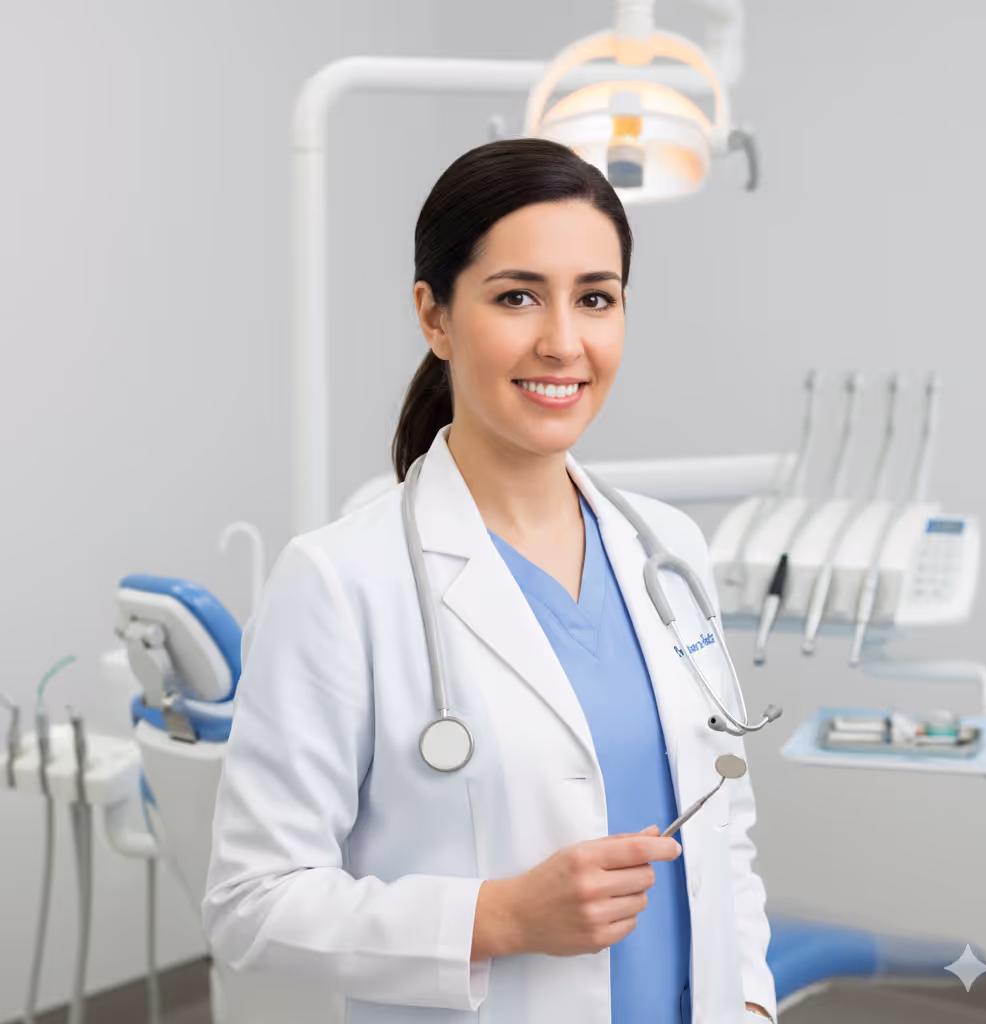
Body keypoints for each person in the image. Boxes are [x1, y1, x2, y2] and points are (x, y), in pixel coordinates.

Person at [202, 138, 776, 1024]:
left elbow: (722, 830)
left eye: (596, 298)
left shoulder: (666, 549)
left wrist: (751, 1001)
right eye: (517, 297)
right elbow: (252, 902)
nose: (563, 341)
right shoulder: (340, 582)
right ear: (434, 317)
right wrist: (498, 916)